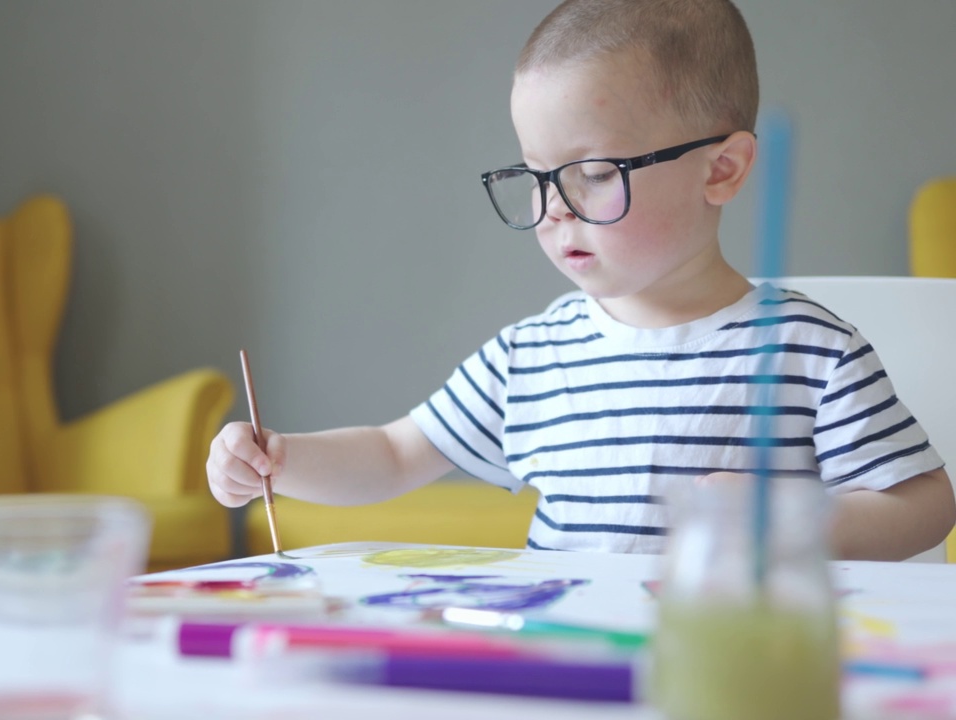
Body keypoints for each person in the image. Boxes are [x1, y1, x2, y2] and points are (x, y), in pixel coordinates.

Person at [206, 0, 954, 561]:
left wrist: (794, 526)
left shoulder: (809, 349)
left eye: (594, 173)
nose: (553, 208)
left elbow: (924, 503)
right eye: (535, 176)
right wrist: (281, 458)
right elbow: (397, 454)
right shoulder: (531, 355)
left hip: (732, 665)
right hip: (567, 664)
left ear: (720, 169)